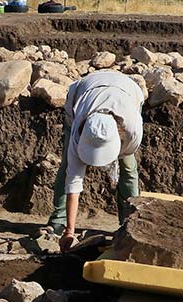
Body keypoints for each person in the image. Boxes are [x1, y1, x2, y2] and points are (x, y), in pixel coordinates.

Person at [45, 71, 144, 252]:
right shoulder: (77, 131)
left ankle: (128, 224)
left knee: (128, 169)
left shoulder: (132, 130)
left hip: (128, 91)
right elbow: (74, 181)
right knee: (68, 164)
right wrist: (70, 231)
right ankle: (58, 222)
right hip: (83, 92)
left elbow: (125, 168)